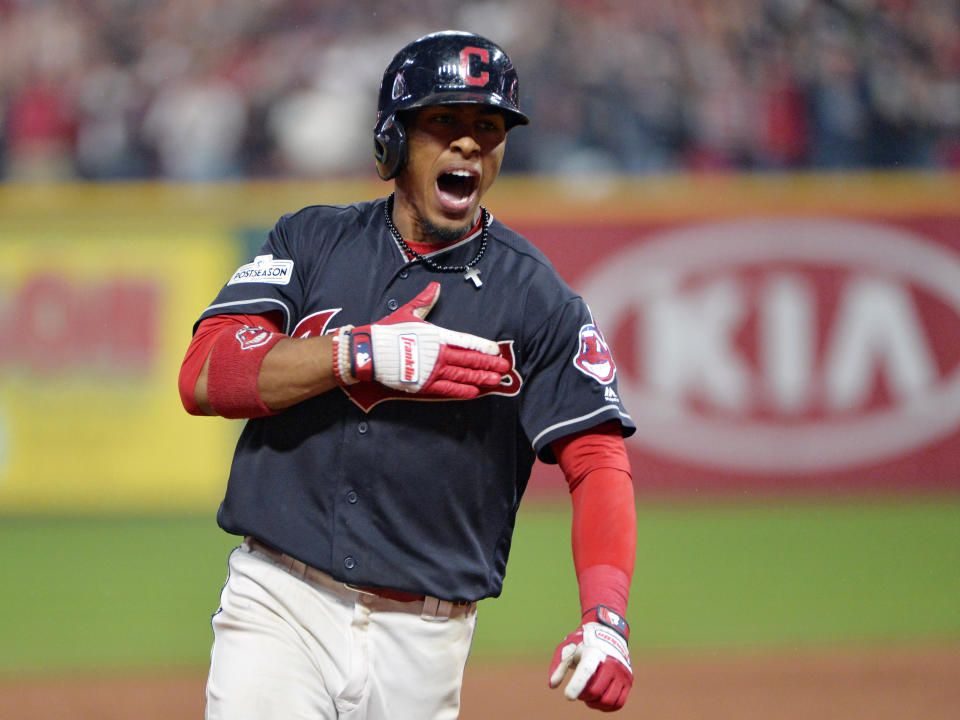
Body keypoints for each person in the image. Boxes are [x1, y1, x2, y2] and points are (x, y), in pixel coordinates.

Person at [179, 30, 637, 719]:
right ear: (392, 141)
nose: (468, 145)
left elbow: (598, 458)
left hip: (426, 639)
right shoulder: (310, 241)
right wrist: (357, 354)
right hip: (281, 605)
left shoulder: (537, 298)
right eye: (443, 121)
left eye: (488, 127)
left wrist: (607, 616)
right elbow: (206, 373)